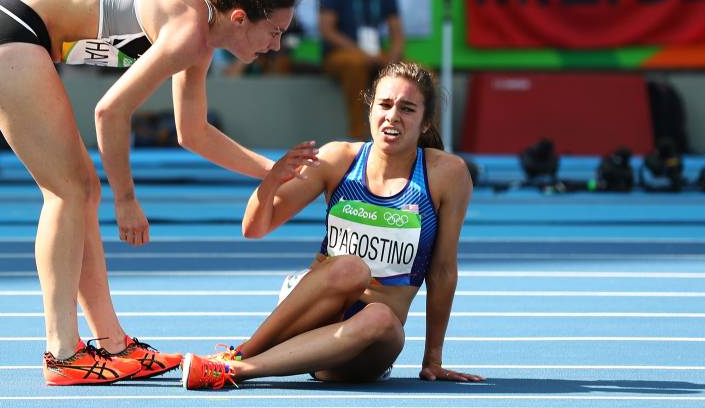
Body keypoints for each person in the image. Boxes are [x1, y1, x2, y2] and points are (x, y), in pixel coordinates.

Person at [0, 0, 300, 385]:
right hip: (6, 33)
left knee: (80, 191)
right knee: (69, 191)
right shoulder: (186, 28)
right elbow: (110, 111)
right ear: (240, 17)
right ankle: (62, 354)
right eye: (274, 32)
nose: (275, 46)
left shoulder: (199, 31)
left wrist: (275, 171)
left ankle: (113, 345)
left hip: (14, 34)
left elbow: (192, 132)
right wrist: (127, 200)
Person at [180, 61, 480, 390]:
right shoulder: (339, 158)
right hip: (313, 313)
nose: (393, 116)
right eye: (384, 104)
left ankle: (241, 371)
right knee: (351, 268)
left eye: (407, 109)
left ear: (425, 123)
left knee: (380, 316)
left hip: (370, 342)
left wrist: (433, 359)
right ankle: (237, 358)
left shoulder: (446, 175)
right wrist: (271, 182)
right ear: (370, 109)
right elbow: (254, 228)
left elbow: (442, 271)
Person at [318, 0, 405, 140]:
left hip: (375, 54)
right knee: (356, 65)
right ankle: (359, 137)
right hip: (342, 55)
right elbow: (327, 30)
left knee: (415, 74)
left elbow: (397, 33)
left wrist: (392, 58)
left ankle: (415, 140)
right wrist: (361, 52)